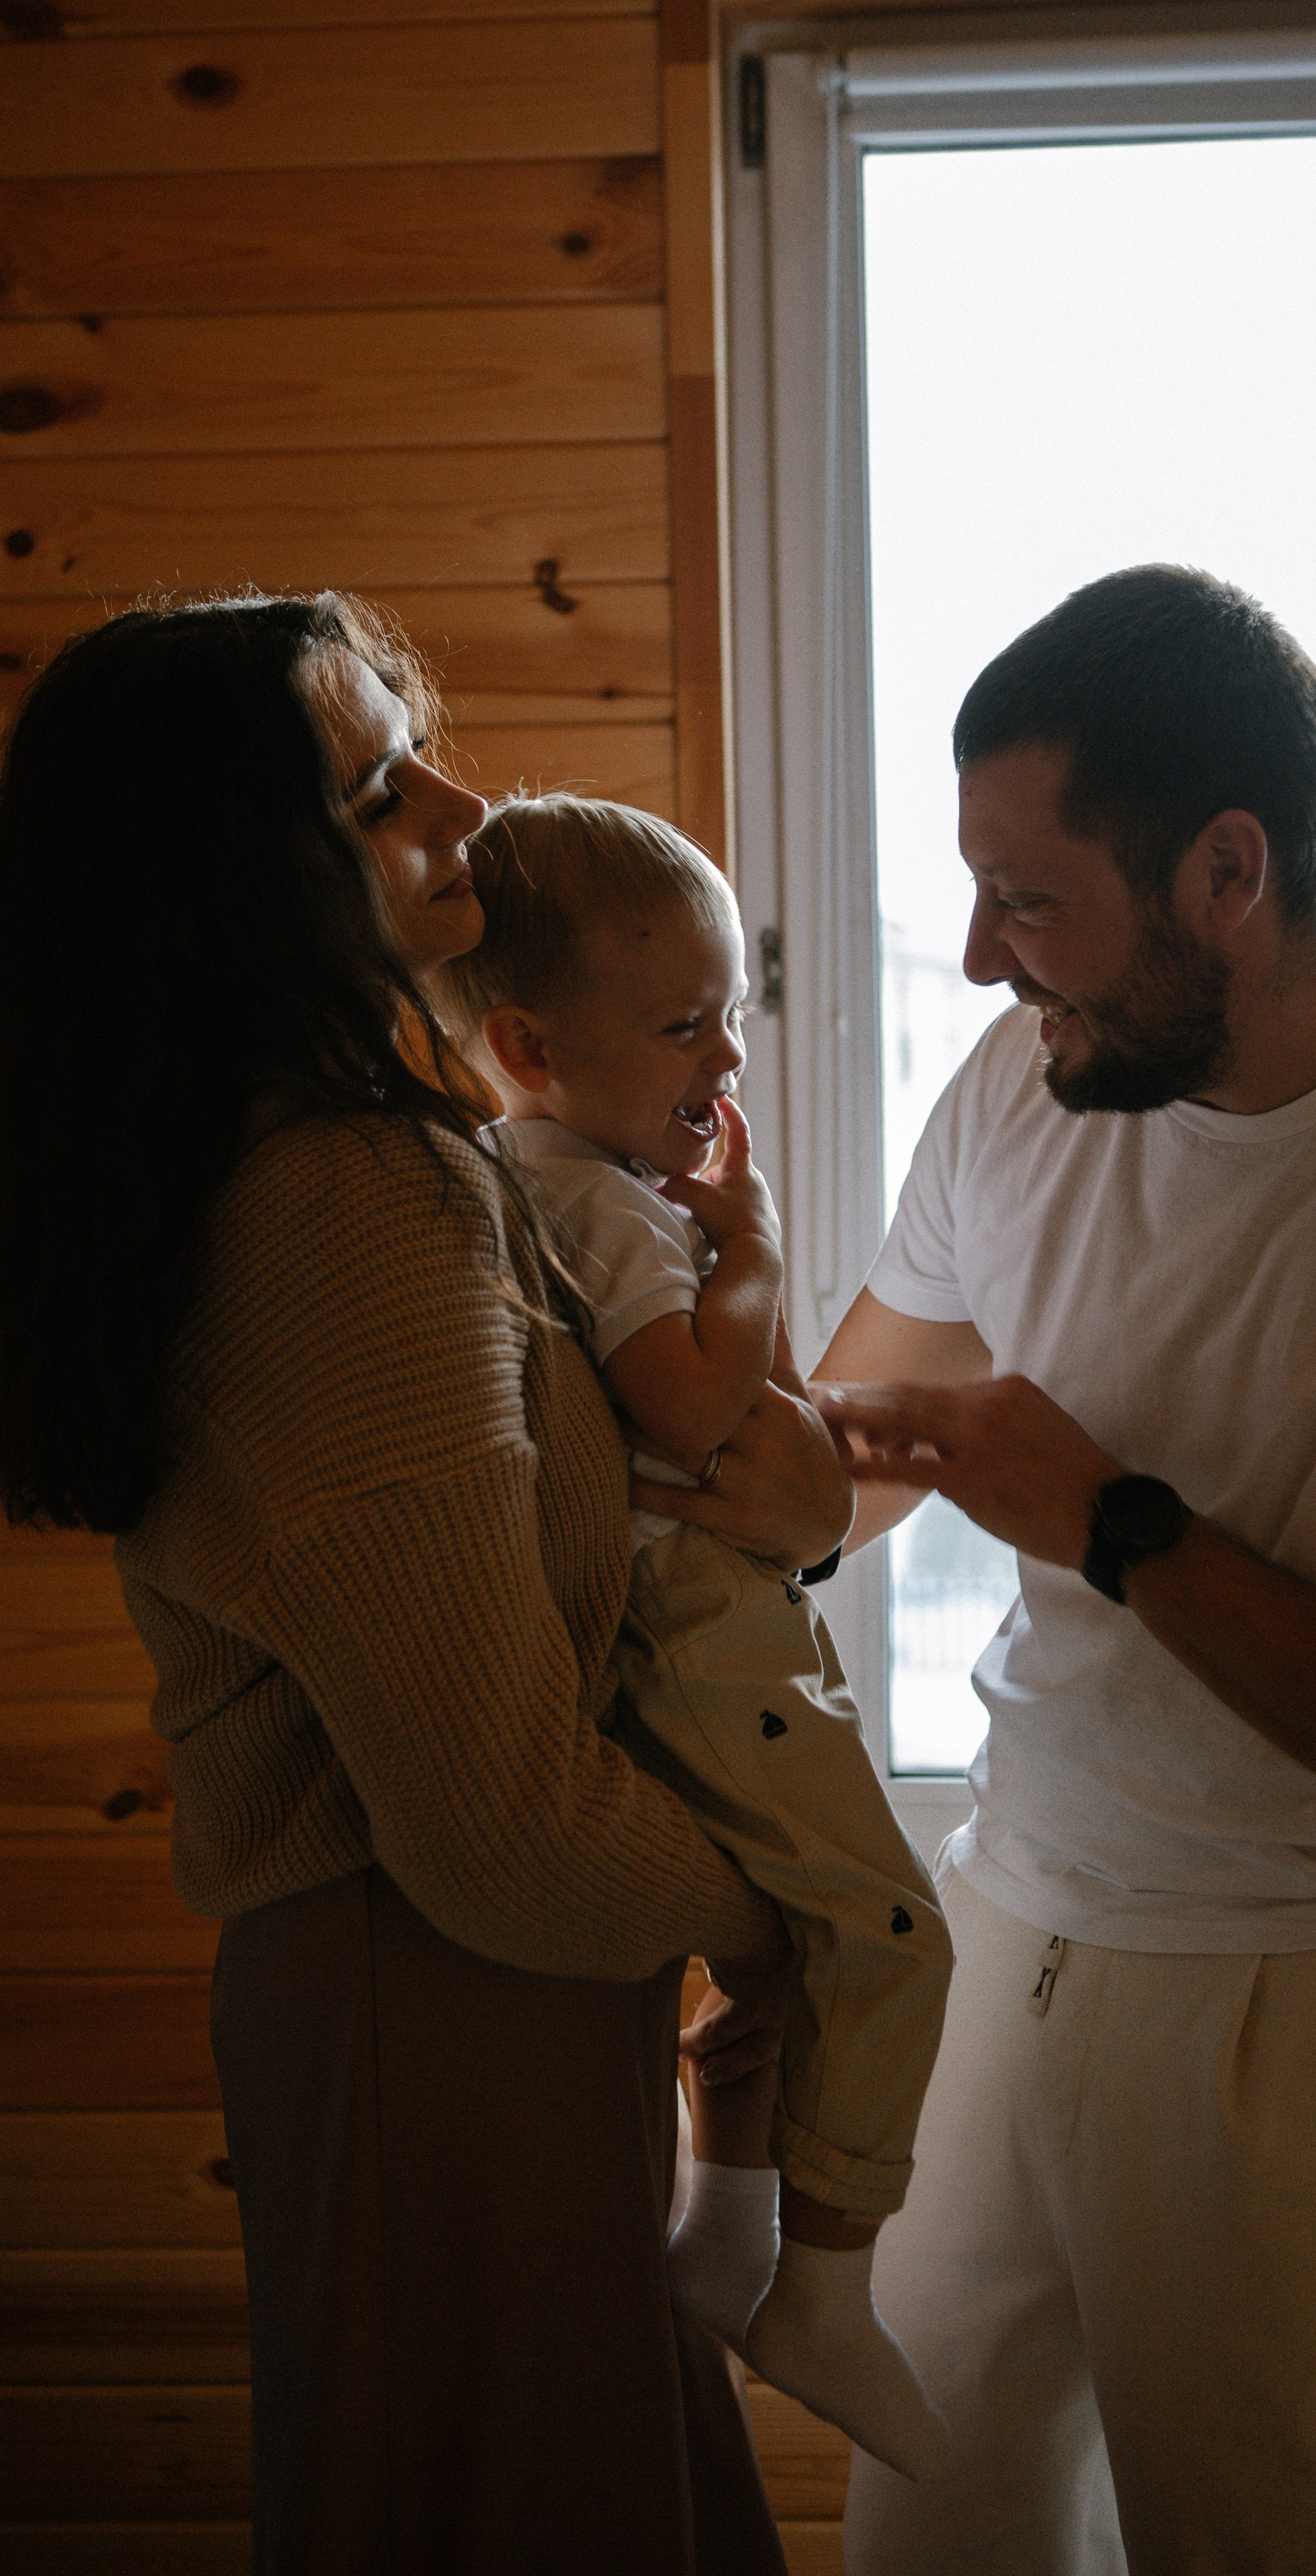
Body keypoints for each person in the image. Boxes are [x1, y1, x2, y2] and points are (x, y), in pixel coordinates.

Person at [667, 563, 1316, 2574]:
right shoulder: (1035, 1082)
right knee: (932, 2547)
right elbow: (861, 1460)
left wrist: (1115, 1524)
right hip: (1007, 1925)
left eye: (1029, 902)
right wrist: (666, 1407)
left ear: (1228, 871)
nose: (974, 957)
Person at [0, 592, 854, 2575]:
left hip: (460, 1997)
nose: (460, 794)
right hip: (441, 2003)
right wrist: (783, 1910)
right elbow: (503, 1826)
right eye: (375, 786)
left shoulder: (360, 1161)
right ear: (242, 884)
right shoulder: (350, 1201)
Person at [450, 794, 952, 2483]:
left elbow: (758, 1419)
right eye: (683, 1025)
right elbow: (686, 1392)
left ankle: (732, 2242)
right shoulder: (580, 1193)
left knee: (777, 1957)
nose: (720, 1056)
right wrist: (754, 1252)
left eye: (729, 1010)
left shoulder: (586, 1176)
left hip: (719, 1605)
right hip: (697, 1625)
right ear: (527, 1043)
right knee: (894, 1937)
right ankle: (820, 2283)